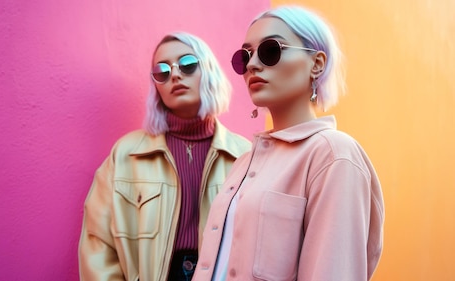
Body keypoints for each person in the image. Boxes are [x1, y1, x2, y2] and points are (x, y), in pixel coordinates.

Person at [193, 6, 385, 281]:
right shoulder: (244, 162)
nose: (251, 65)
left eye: (270, 50)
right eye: (244, 56)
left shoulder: (333, 156)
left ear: (316, 63)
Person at [78, 32, 252, 281]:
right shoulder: (127, 154)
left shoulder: (244, 155)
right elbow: (98, 243)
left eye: (188, 64)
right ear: (156, 86)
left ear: (209, 71)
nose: (175, 74)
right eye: (162, 71)